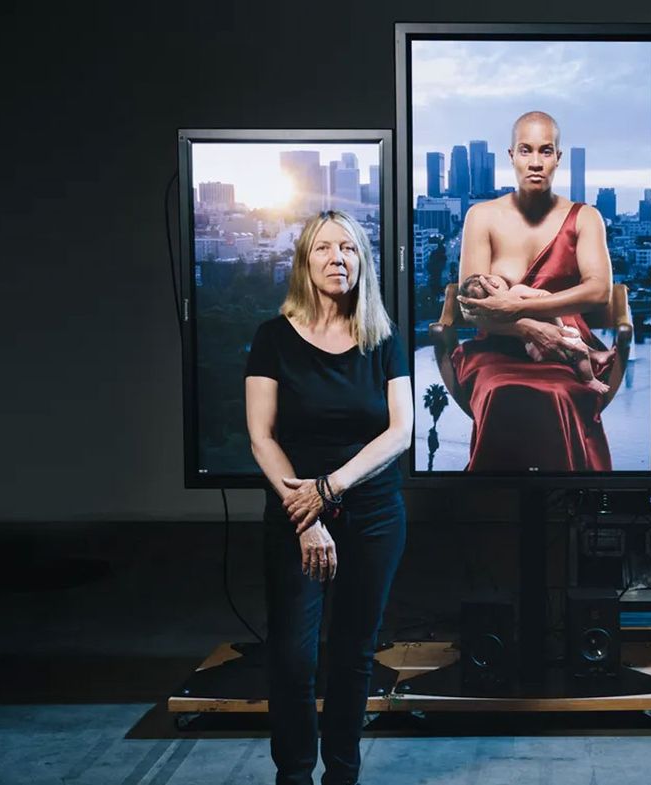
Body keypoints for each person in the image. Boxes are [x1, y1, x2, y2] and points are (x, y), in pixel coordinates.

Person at [245, 210, 412, 785]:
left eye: (349, 248)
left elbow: (400, 432)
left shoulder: (384, 340)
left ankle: (342, 774)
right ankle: (293, 775)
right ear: (304, 262)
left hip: (372, 513)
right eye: (323, 249)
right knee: (295, 656)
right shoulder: (273, 338)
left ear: (362, 261)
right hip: (295, 516)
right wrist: (306, 513)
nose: (337, 258)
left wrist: (331, 489)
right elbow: (261, 436)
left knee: (353, 654)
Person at [451, 110, 616, 471]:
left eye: (546, 151)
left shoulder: (586, 217)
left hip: (569, 349)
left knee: (559, 394)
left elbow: (599, 291)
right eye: (526, 151)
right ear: (511, 156)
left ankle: (567, 505)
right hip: (497, 345)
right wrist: (526, 325)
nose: (536, 162)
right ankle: (497, 510)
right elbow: (471, 307)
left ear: (558, 157)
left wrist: (530, 311)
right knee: (500, 391)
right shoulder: (481, 216)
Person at [459, 271, 614, 393]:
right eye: (490, 282)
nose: (494, 279)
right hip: (548, 338)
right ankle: (589, 379)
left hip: (532, 350)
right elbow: (544, 295)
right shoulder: (516, 291)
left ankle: (594, 357)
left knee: (576, 350)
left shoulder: (497, 313)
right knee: (578, 349)